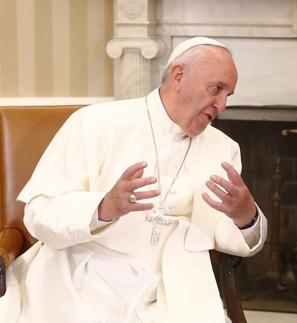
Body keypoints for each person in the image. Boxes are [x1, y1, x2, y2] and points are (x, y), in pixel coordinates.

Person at [0, 37, 267, 323]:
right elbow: (39, 214)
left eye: (229, 95)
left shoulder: (223, 148)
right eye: (216, 89)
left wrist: (246, 216)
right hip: (83, 278)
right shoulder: (93, 122)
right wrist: (103, 208)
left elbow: (227, 235)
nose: (223, 105)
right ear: (178, 76)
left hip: (175, 286)